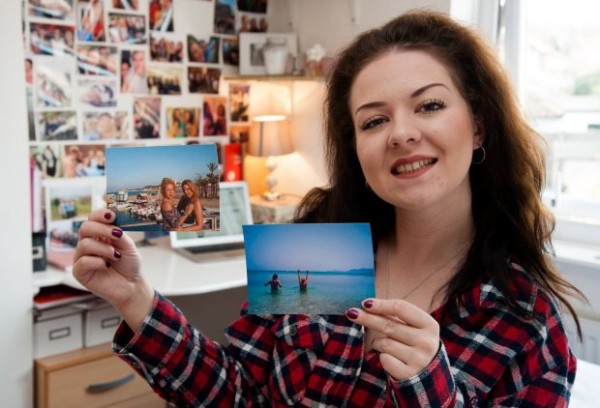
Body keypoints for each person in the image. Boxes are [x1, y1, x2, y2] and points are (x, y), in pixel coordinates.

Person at [73, 11, 584, 406]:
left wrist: (431, 389)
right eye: (373, 121)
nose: (402, 133)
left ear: (478, 126)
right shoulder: (317, 252)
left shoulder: (526, 322)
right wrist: (136, 298)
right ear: (356, 149)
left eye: (429, 105)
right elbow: (237, 394)